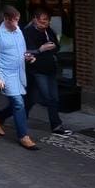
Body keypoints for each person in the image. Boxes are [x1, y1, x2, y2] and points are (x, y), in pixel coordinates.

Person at [0, 5, 39, 150]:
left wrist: (28, 57)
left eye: (18, 20)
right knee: (18, 103)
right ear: (6, 19)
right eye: (14, 20)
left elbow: (22, 51)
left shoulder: (18, 31)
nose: (17, 24)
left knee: (20, 103)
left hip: (20, 73)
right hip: (7, 74)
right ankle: (23, 136)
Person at [23, 7, 72, 136]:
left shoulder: (48, 31)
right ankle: (56, 126)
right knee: (47, 97)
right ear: (35, 20)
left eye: (48, 21)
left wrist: (55, 47)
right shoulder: (28, 33)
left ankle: (55, 126)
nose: (46, 23)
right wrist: (41, 49)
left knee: (43, 98)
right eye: (43, 21)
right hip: (37, 70)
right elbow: (26, 52)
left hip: (50, 69)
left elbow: (57, 45)